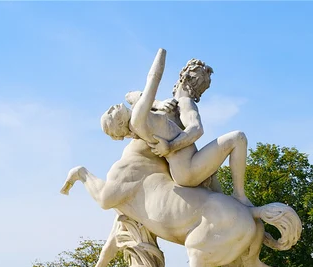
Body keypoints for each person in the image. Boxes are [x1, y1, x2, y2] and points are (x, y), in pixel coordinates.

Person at [100, 49, 252, 206]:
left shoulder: (182, 104)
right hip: (181, 167)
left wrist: (170, 145)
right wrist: (157, 103)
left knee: (214, 178)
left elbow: (196, 128)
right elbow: (131, 95)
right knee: (238, 138)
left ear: (182, 76)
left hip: (176, 165)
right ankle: (239, 196)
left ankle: (235, 201)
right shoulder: (171, 105)